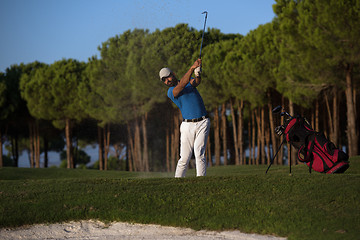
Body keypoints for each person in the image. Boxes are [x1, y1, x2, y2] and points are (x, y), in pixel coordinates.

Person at [159, 58, 210, 177]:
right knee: (184, 158)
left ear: (173, 74)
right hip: (187, 126)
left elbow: (196, 82)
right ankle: (178, 181)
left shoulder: (187, 81)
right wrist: (192, 68)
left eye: (168, 77)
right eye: (164, 80)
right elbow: (181, 85)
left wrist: (197, 73)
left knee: (199, 153)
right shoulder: (171, 92)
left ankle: (201, 180)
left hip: (203, 122)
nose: (167, 81)